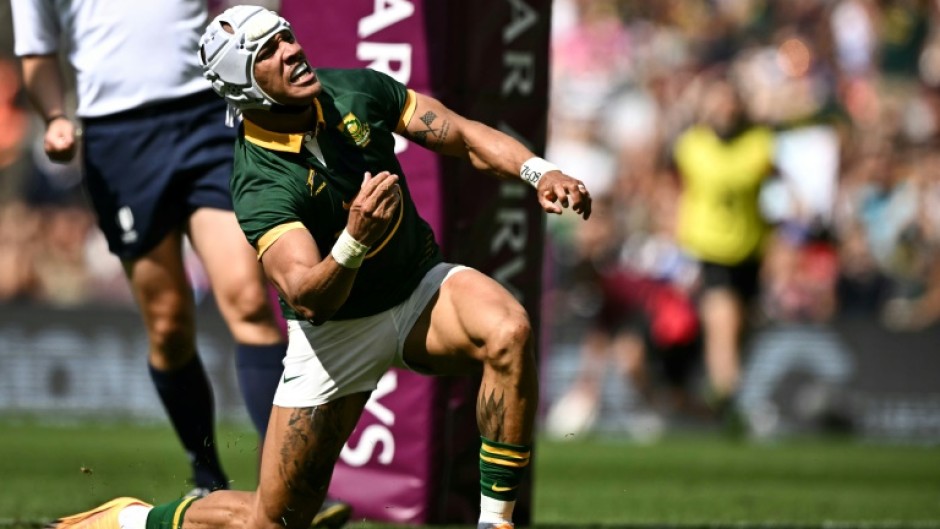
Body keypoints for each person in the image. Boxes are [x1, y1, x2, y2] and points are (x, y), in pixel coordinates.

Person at [43, 5, 592, 529]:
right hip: (334, 338)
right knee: (275, 520)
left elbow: (463, 134)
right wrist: (354, 241)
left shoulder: (354, 88)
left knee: (509, 330)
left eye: (286, 36)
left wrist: (536, 171)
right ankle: (132, 519)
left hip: (418, 287)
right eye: (268, 50)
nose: (291, 50)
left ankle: (495, 521)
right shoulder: (258, 183)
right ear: (244, 84)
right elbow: (310, 296)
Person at [10, 1, 350, 525]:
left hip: (205, 115)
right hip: (117, 137)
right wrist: (55, 117)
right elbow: (37, 53)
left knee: (246, 300)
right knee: (168, 324)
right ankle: (206, 478)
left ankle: (291, 485)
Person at [671, 72, 774, 428]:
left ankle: (723, 394)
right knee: (723, 321)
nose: (724, 108)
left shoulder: (758, 141)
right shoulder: (693, 145)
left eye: (730, 101)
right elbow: (728, 177)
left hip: (749, 249)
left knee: (742, 327)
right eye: (717, 101)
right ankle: (729, 401)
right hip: (708, 248)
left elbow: (747, 173)